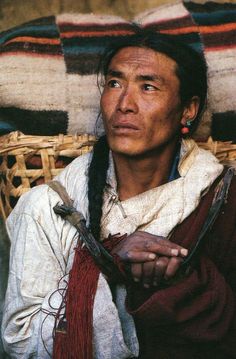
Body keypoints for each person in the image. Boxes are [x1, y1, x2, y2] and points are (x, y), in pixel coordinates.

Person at [2, 30, 236, 359]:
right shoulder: (49, 206)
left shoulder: (221, 198)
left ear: (188, 110)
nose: (124, 104)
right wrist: (113, 265)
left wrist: (179, 278)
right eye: (115, 83)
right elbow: (19, 339)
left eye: (148, 86)